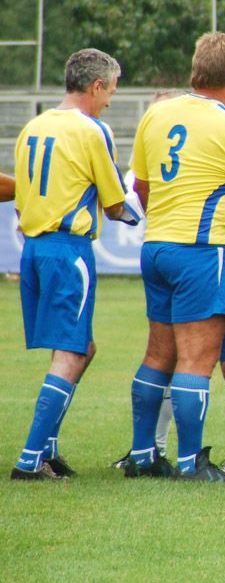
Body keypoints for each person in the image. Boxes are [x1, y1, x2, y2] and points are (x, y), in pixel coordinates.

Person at [125, 32, 225, 482]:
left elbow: (142, 186)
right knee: (195, 362)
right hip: (201, 251)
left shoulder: (157, 114)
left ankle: (142, 454)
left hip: (156, 248)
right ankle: (191, 463)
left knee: (157, 354)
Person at [11, 48, 139, 480]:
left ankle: (47, 451)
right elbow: (116, 203)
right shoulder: (92, 130)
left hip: (33, 249)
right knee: (70, 353)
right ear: (96, 85)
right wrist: (141, 211)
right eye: (111, 92)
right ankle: (29, 461)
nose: (109, 101)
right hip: (69, 250)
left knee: (80, 348)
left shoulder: (34, 126)